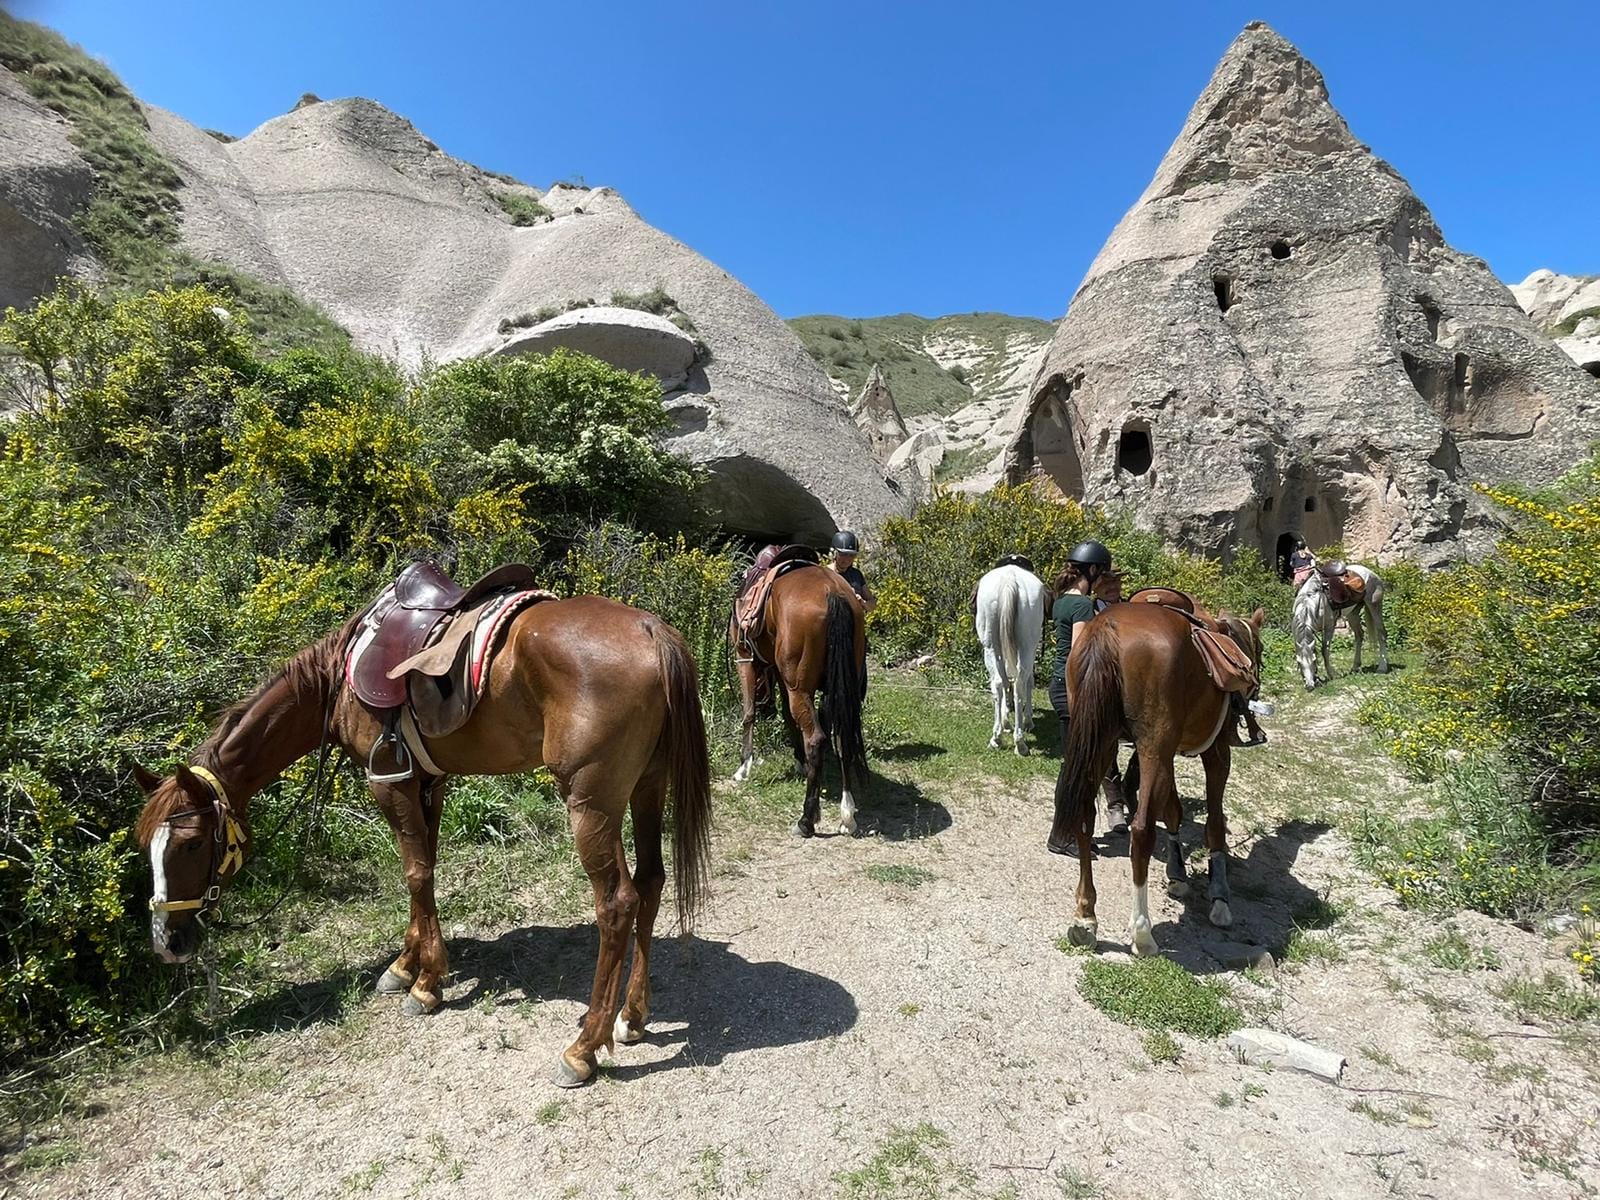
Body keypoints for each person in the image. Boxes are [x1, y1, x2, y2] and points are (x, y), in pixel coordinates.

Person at [1049, 540, 1129, 835]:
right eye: (1102, 573)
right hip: (1073, 688)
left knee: (1072, 764)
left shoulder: (1061, 600)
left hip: (1057, 685)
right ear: (1093, 570)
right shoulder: (1083, 605)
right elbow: (1079, 654)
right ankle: (1065, 834)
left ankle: (1067, 832)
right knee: (1075, 768)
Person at [829, 531, 876, 612]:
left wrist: (862, 602)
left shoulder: (856, 575)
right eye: (843, 554)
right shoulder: (825, 574)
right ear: (834, 554)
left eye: (851, 555)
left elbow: (872, 605)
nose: (847, 559)